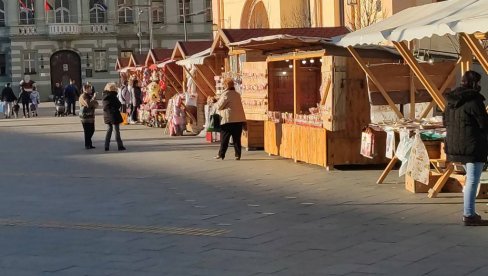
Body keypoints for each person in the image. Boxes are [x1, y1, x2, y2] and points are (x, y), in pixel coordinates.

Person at [444, 70, 488, 226]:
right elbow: (483, 124)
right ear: (475, 84)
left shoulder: (451, 101)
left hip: (456, 145)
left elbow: (445, 122)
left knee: (470, 178)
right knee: (472, 180)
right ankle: (469, 214)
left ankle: (470, 212)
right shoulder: (475, 101)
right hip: (472, 146)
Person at [212, 78, 246, 160]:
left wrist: (214, 102)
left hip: (228, 119)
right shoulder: (237, 94)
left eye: (224, 84)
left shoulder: (226, 94)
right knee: (237, 139)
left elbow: (219, 106)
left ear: (226, 85)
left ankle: (221, 154)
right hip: (238, 119)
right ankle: (238, 155)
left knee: (225, 138)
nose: (223, 86)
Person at [102, 83, 126, 152]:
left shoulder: (104, 95)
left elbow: (105, 107)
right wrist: (114, 108)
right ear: (112, 88)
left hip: (107, 115)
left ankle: (106, 146)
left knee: (109, 130)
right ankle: (120, 146)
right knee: (116, 131)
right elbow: (118, 104)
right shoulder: (112, 95)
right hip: (113, 115)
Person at [79, 84, 99, 150]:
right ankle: (87, 144)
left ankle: (89, 144)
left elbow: (96, 104)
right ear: (86, 89)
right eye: (89, 89)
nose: (91, 90)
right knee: (87, 131)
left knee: (92, 130)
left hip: (90, 116)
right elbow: (89, 105)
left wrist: (93, 101)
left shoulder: (88, 96)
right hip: (85, 116)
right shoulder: (84, 96)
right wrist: (93, 98)